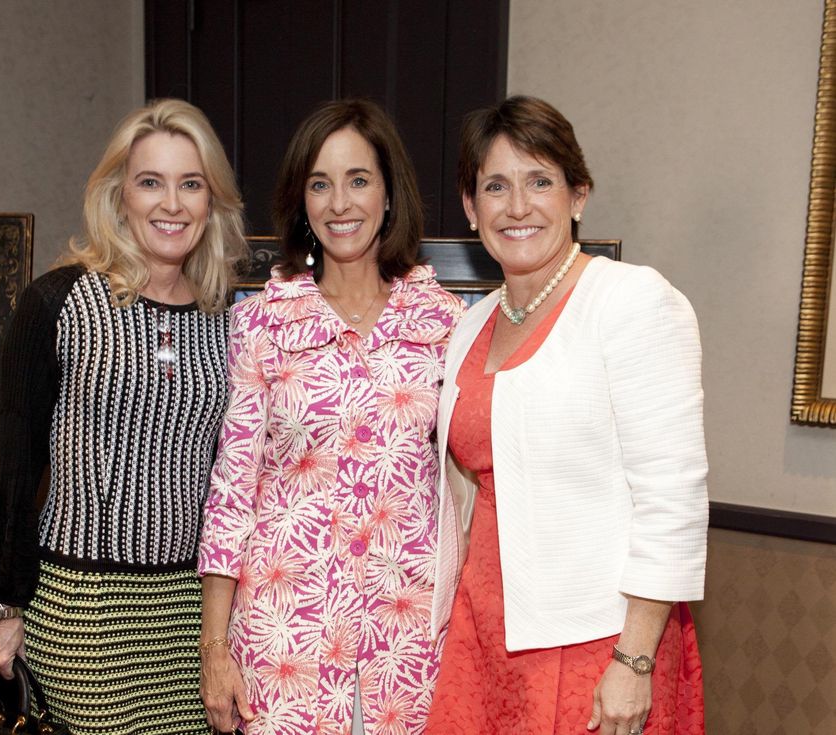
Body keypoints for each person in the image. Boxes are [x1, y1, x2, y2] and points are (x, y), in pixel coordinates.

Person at [426, 95, 707, 735]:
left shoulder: (631, 302)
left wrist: (634, 660)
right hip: (483, 628)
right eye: (495, 186)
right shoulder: (469, 327)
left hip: (598, 639)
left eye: (540, 182)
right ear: (471, 208)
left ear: (578, 195)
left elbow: (673, 498)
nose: (517, 206)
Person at [0, 98, 248, 735]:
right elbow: (13, 462)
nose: (171, 204)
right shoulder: (59, 300)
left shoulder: (228, 319)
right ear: (118, 193)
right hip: (85, 611)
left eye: (191, 184)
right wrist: (2, 602)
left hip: (193, 614)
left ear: (212, 201)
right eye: (150, 182)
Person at [198, 98, 464, 735]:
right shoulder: (261, 323)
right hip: (283, 633)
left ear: (389, 194)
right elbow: (232, 492)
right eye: (320, 184)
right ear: (301, 201)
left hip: (409, 634)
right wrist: (214, 652)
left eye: (358, 180)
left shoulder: (445, 324)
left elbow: (468, 488)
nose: (340, 203)